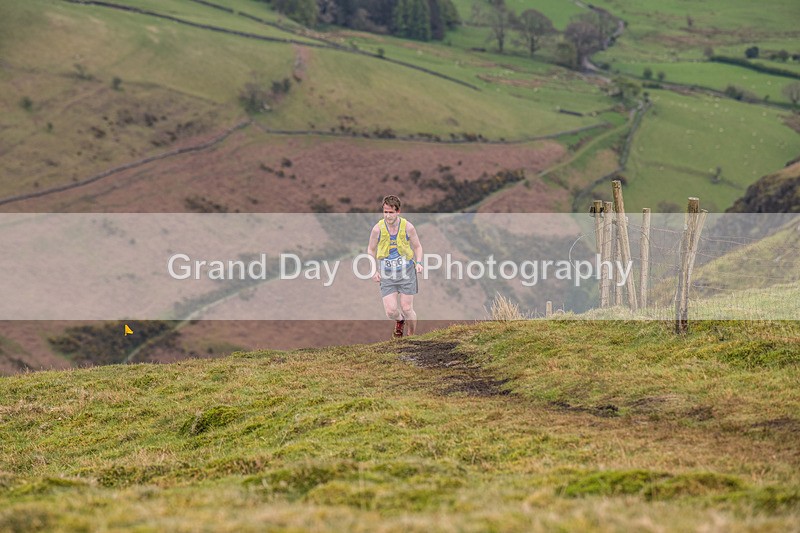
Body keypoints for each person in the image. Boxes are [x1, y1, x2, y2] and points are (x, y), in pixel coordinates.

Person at [366, 195, 424, 338]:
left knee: (407, 308)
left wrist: (420, 263)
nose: (387, 215)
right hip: (387, 274)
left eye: (391, 212)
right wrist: (374, 271)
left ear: (398, 212)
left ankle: (411, 337)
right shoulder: (377, 229)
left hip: (406, 272)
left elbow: (417, 247)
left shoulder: (408, 227)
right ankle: (400, 320)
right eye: (385, 212)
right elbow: (370, 250)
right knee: (391, 311)